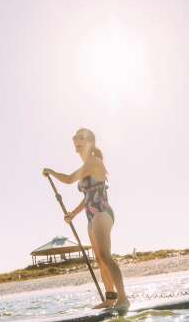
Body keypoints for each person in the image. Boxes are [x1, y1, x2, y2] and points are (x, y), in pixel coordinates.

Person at [42, 128, 128, 311]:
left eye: (82, 138)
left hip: (102, 213)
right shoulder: (86, 166)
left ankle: (123, 298)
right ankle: (110, 298)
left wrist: (51, 171)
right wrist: (73, 213)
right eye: (75, 137)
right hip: (91, 216)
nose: (77, 140)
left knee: (105, 255)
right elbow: (87, 197)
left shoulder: (93, 162)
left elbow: (69, 179)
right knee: (99, 259)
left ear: (91, 142)